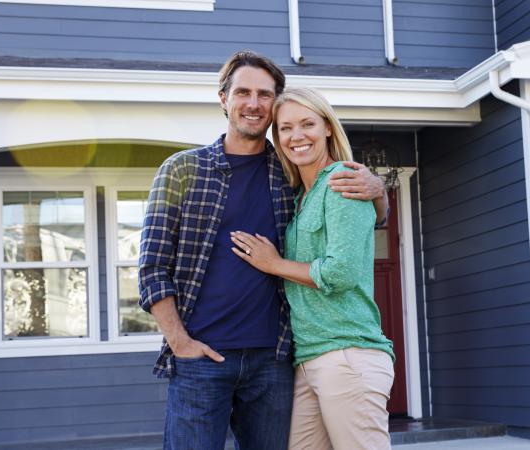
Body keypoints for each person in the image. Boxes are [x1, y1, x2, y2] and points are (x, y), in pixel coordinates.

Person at [137, 51, 388, 450]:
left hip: (274, 362)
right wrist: (181, 344)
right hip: (201, 359)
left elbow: (347, 217)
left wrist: (378, 193)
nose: (253, 103)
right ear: (223, 98)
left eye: (265, 95)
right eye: (243, 92)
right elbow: (152, 268)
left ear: (275, 104)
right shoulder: (182, 170)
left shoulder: (290, 171)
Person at [230, 87, 395, 450]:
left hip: (347, 354)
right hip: (308, 358)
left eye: (307, 124)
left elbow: (341, 273)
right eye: (286, 128)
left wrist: (273, 264)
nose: (296, 136)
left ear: (328, 129)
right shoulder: (299, 195)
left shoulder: (341, 182)